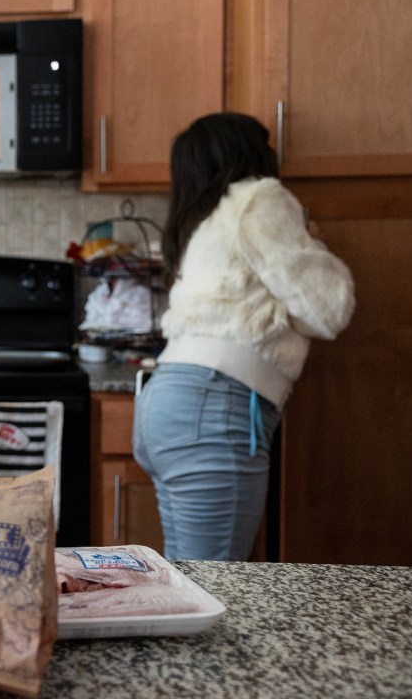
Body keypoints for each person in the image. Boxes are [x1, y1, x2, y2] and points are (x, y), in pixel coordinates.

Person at [134, 112, 355, 561]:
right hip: (212, 411)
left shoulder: (206, 221)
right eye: (268, 143)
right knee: (218, 588)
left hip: (171, 405)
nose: (276, 154)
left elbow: (306, 313)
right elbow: (328, 309)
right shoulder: (260, 200)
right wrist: (313, 245)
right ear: (247, 151)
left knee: (191, 584)